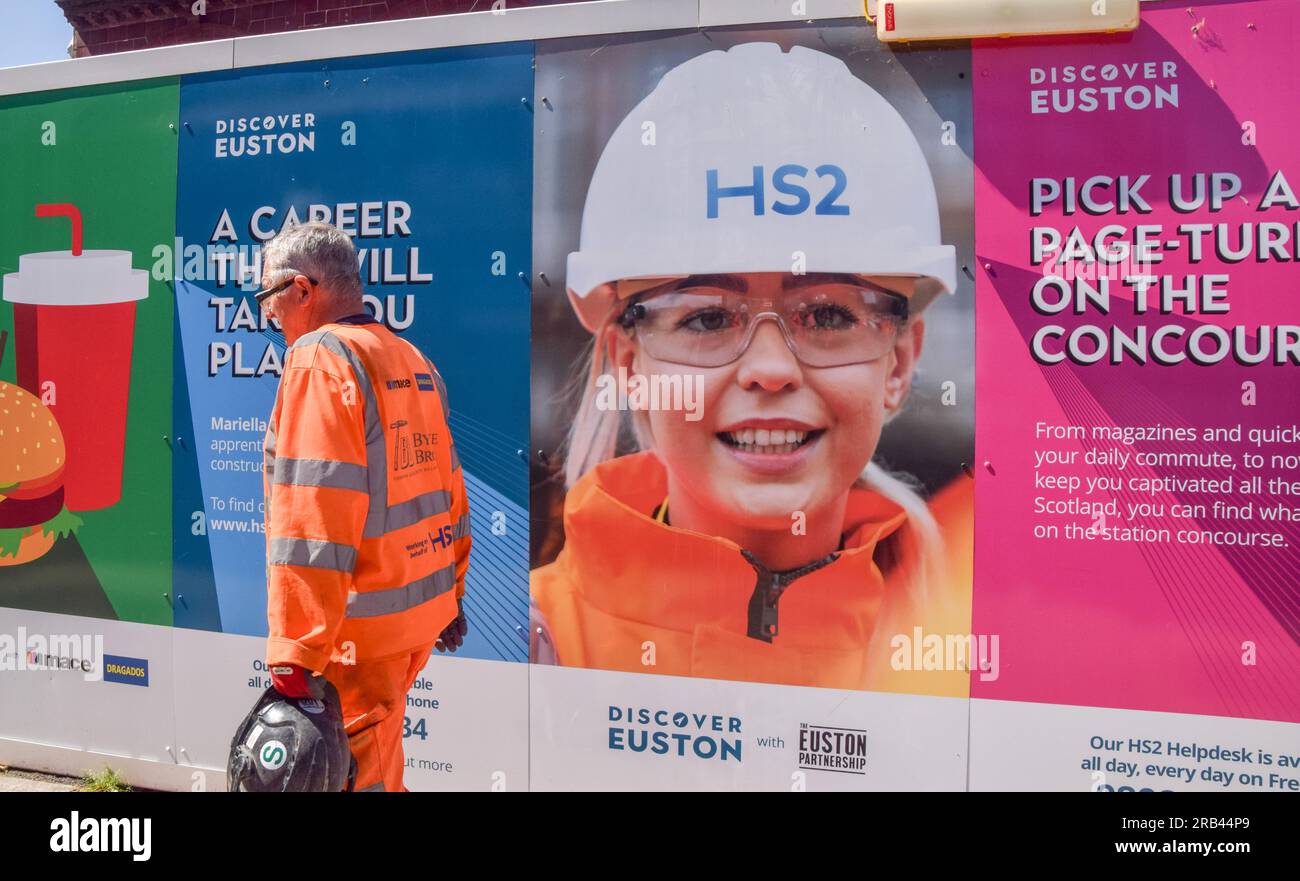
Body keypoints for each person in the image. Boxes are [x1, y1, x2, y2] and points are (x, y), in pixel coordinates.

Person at [531, 43, 972, 695]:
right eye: (707, 318)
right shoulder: (516, 648)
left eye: (826, 315)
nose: (771, 370)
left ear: (900, 362)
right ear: (628, 363)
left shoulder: (961, 651)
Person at [256, 222, 472, 791]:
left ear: (302, 290)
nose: (268, 316)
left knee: (355, 779)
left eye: (268, 297)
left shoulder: (318, 358)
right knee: (379, 765)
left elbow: (317, 512)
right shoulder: (410, 358)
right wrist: (451, 591)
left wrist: (296, 649)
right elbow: (449, 487)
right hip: (410, 625)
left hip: (353, 637)